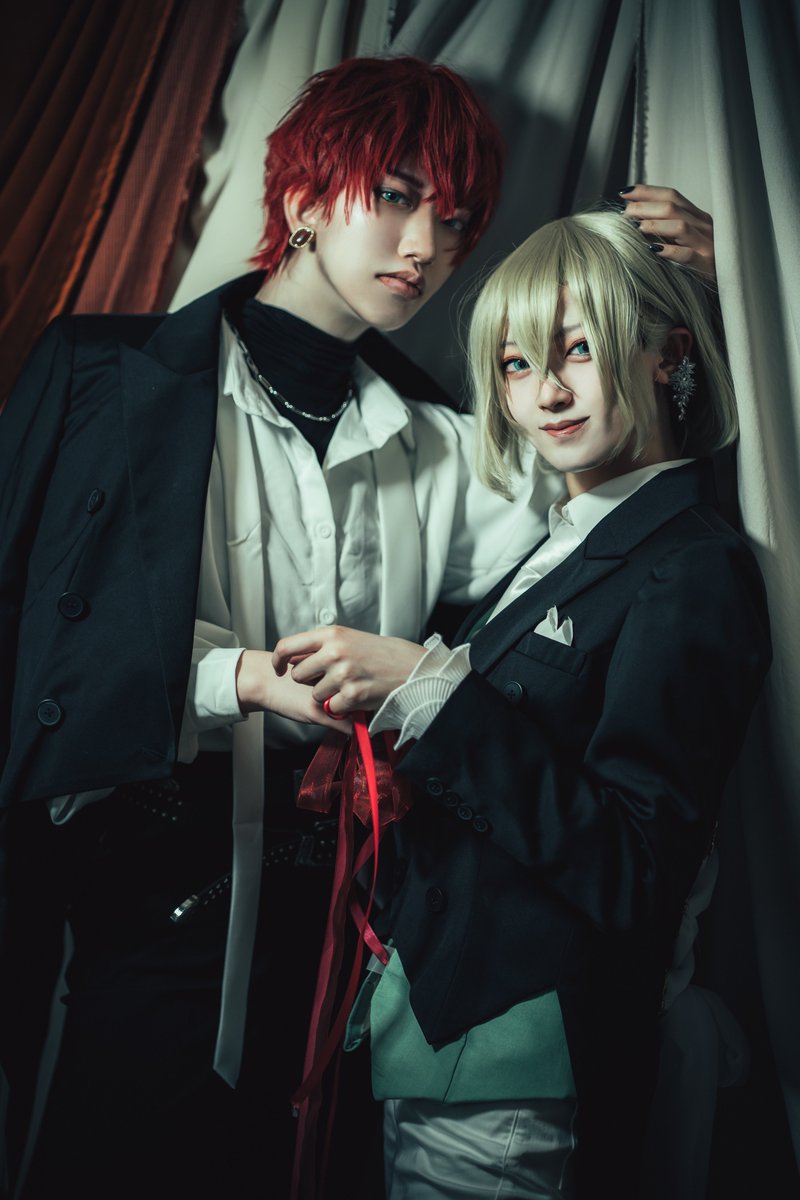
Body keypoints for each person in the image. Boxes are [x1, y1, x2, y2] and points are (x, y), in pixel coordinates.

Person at [0, 43, 718, 1196]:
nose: (425, 244)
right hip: (146, 896)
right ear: (299, 195)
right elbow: (31, 640)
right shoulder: (102, 375)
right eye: (394, 195)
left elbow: (620, 542)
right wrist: (235, 677)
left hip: (356, 928)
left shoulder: (449, 442)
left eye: (456, 217)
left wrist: (716, 302)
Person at [272, 208, 772, 1198]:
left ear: (669, 355)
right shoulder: (558, 546)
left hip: (523, 1066)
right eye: (514, 364)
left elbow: (634, 869)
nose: (544, 392)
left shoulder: (691, 565)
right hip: (431, 1035)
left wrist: (433, 694)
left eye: (576, 350)